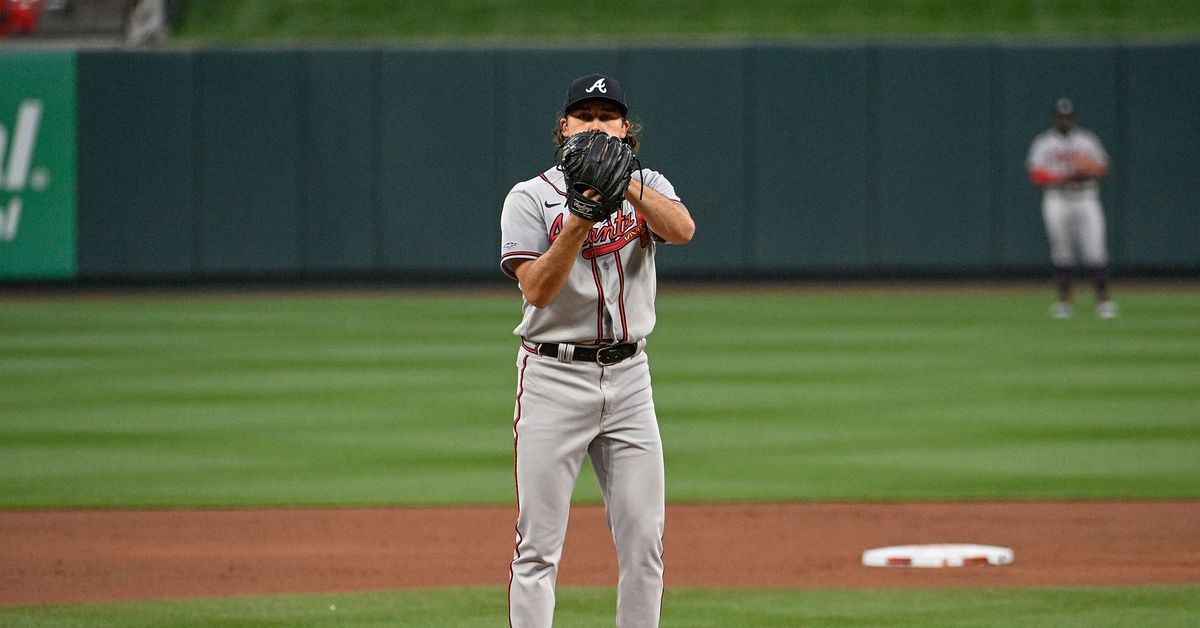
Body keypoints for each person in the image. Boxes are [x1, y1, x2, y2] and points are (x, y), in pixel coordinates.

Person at [499, 73, 695, 627]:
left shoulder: (648, 182)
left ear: (627, 129)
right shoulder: (531, 196)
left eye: (607, 117)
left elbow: (681, 230)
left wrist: (626, 182)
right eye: (585, 117)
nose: (596, 126)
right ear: (564, 127)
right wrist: (581, 218)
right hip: (553, 378)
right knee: (537, 548)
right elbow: (536, 288)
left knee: (644, 543)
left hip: (631, 378)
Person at [1026, 97, 1117, 319]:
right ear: (1054, 118)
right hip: (1057, 199)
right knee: (1061, 251)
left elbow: (1103, 169)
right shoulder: (1044, 143)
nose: (1064, 120)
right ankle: (1065, 303)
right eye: (1060, 117)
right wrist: (1063, 176)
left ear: (1073, 118)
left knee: (1096, 249)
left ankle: (1103, 302)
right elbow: (1035, 174)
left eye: (1068, 116)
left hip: (1086, 197)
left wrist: (1087, 172)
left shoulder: (1087, 141)